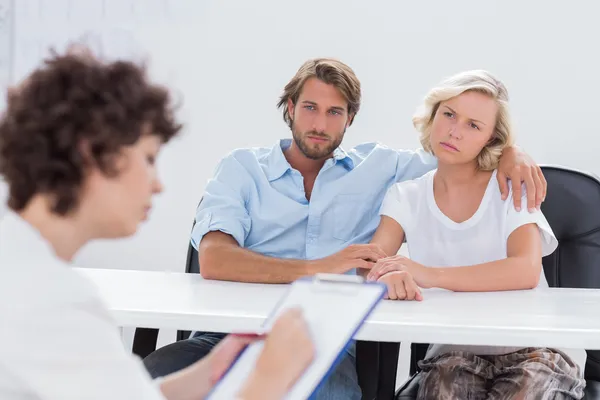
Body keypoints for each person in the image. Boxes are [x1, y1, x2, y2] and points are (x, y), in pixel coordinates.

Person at [142, 58, 548, 399]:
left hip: (323, 346)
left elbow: (462, 155)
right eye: (309, 108)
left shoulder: (385, 170)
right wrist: (320, 267)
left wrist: (513, 152)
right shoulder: (241, 168)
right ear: (289, 108)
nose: (320, 123)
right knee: (148, 380)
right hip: (227, 335)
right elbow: (214, 259)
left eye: (335, 112)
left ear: (350, 118)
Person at [0, 47, 316, 400]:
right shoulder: (52, 303)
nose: (158, 183)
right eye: (149, 158)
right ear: (91, 154)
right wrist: (270, 378)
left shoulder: (21, 269)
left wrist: (210, 372)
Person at [366, 70, 586, 399]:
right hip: (452, 353)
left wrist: (427, 274)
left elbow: (524, 270)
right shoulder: (405, 196)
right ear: (433, 115)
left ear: (491, 139)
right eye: (449, 114)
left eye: (473, 125)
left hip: (535, 348)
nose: (455, 131)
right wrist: (383, 277)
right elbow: (372, 263)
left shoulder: (510, 185)